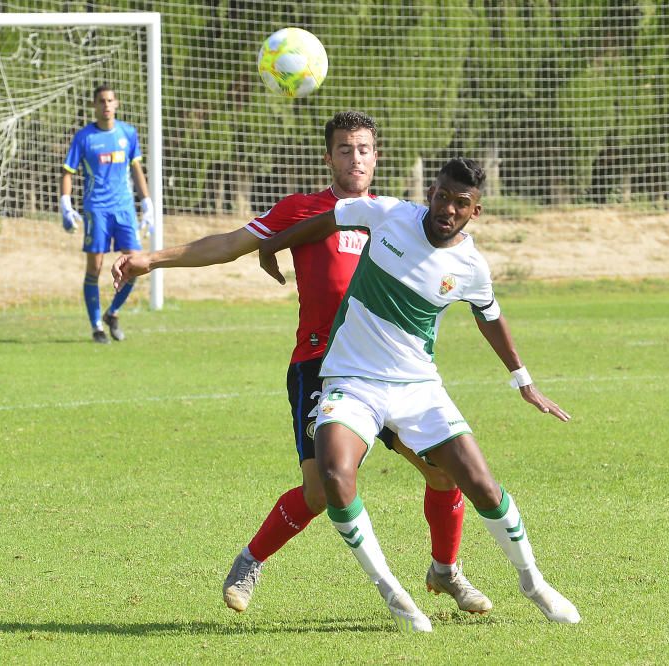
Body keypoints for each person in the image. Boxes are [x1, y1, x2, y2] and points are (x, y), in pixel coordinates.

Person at [111, 112, 491, 617]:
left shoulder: (401, 215)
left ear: (376, 156)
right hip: (323, 365)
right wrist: (151, 259)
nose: (354, 158)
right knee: (319, 491)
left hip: (394, 371)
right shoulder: (304, 210)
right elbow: (228, 244)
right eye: (343, 149)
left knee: (444, 474)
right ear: (328, 157)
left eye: (363, 149)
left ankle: (445, 571)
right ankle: (250, 560)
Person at [257, 157, 581, 633]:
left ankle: (533, 582)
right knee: (333, 475)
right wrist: (272, 246)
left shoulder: (470, 266)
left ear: (476, 212)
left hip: (419, 389)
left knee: (482, 485)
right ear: (431, 191)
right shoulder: (389, 214)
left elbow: (488, 316)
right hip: (352, 381)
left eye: (461, 203)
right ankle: (393, 593)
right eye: (443, 195)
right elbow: (326, 220)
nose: (447, 208)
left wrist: (523, 380)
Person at [61, 83, 154, 344]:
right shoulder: (84, 137)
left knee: (137, 264)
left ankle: (112, 313)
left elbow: (136, 170)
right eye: (101, 100)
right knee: (96, 266)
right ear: (95, 105)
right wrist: (65, 203)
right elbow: (68, 172)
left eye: (110, 100)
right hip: (97, 209)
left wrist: (147, 203)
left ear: (117, 104)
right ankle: (96, 327)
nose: (106, 105)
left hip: (125, 208)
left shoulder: (128, 133)